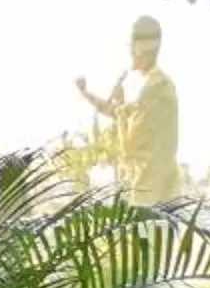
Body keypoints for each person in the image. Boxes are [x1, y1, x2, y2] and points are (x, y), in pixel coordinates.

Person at [74, 14, 182, 205]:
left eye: (132, 48)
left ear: (143, 51)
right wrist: (86, 93)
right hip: (155, 184)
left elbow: (131, 143)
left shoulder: (155, 89)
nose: (130, 53)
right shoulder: (156, 86)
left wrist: (120, 103)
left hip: (149, 187)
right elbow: (118, 112)